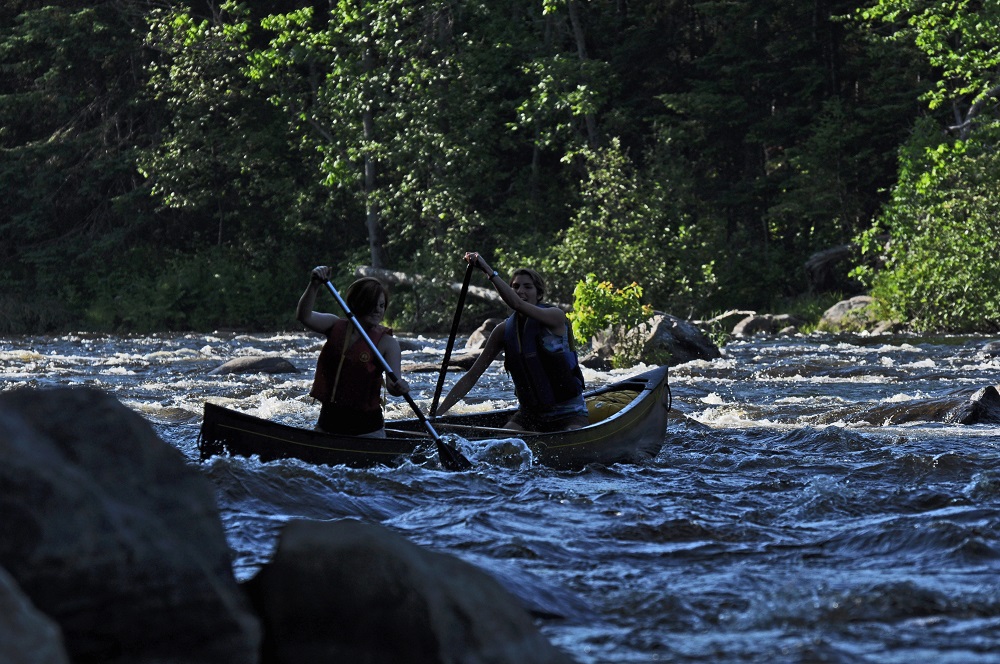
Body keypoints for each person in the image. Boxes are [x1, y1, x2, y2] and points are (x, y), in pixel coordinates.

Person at [436, 252, 588, 432]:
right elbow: (472, 376)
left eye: (527, 287)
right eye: (515, 287)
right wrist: (438, 414)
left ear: (539, 294)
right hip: (530, 413)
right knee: (504, 445)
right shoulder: (502, 331)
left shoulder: (555, 317)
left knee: (569, 436)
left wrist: (487, 270)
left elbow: (518, 304)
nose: (520, 291)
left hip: (569, 411)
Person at [296, 266, 409, 437]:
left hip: (366, 428)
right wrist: (314, 285)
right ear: (358, 303)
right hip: (328, 421)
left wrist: (400, 387)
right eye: (373, 304)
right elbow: (304, 316)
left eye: (382, 305)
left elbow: (393, 385)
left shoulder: (388, 343)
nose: (378, 310)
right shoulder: (334, 325)